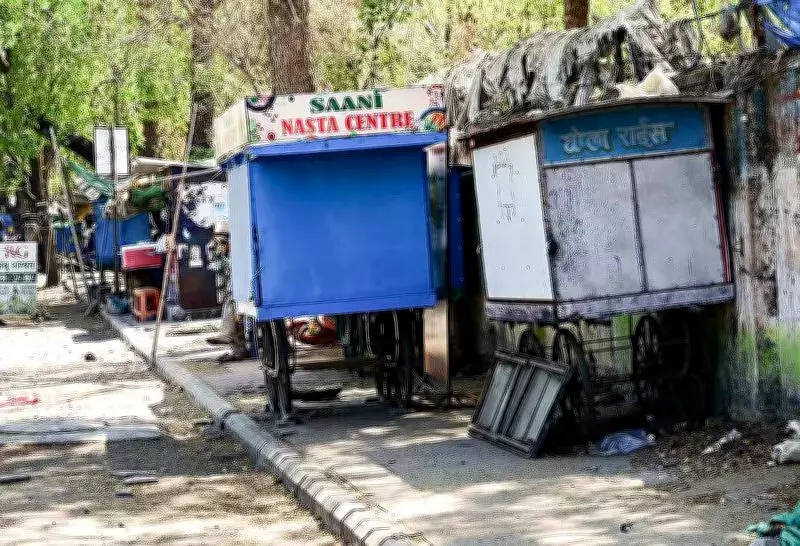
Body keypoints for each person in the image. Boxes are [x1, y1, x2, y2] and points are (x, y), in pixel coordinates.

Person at [205, 220, 249, 362]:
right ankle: (238, 350)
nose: (221, 246)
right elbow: (213, 262)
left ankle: (227, 335)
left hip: (244, 290)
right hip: (233, 290)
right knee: (233, 312)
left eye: (224, 242)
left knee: (231, 306)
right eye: (219, 242)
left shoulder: (239, 253)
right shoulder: (223, 254)